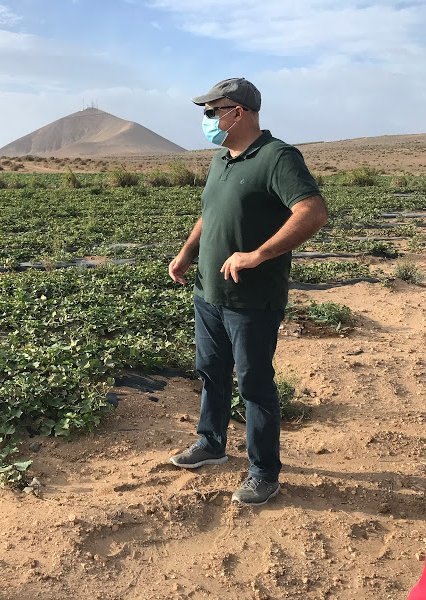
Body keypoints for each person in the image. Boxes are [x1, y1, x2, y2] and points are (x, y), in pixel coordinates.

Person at [168, 78, 328, 505]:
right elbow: (209, 213)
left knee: (255, 385)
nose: (207, 119)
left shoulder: (278, 158)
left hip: (252, 300)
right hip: (209, 294)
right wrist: (186, 253)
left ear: (237, 112)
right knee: (211, 373)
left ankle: (264, 472)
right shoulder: (223, 160)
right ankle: (211, 444)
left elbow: (313, 212)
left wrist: (257, 254)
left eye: (211, 111)